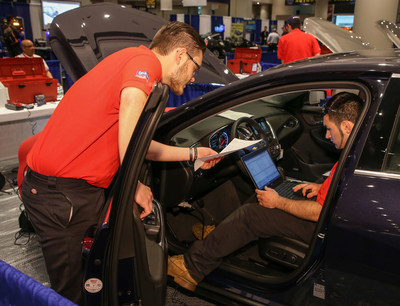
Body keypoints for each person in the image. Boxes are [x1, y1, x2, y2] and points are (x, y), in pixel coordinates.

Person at [21, 21, 220, 304]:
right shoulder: (144, 62)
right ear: (179, 55)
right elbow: (130, 108)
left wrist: (193, 154)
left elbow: (141, 146)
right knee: (69, 292)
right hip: (59, 195)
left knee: (98, 267)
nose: (192, 77)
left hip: (76, 191)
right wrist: (134, 183)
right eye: (195, 67)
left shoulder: (129, 60)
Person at [168, 92, 364, 292]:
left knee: (250, 215)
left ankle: (191, 268)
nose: (327, 136)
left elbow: (319, 212)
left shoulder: (354, 155)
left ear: (347, 127)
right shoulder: (361, 150)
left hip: (324, 225)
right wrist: (323, 188)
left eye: (329, 129)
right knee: (264, 193)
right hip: (331, 216)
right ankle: (221, 236)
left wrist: (279, 202)